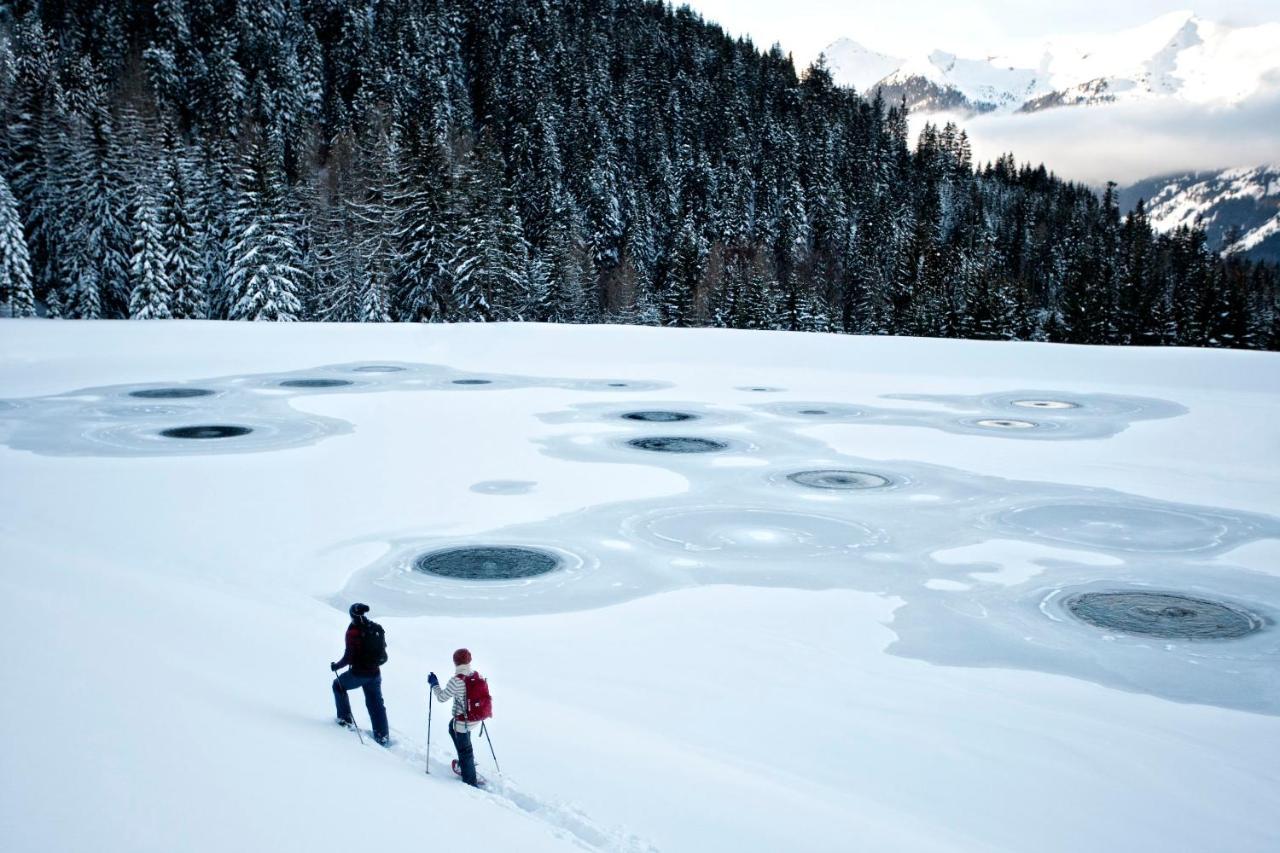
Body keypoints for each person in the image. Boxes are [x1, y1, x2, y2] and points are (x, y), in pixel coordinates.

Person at [331, 602, 390, 746]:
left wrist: (336, 666)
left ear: (352, 615)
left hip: (359, 674)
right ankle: (382, 736)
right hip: (375, 674)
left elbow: (348, 657)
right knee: (376, 703)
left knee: (338, 685)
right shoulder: (374, 627)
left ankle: (344, 720)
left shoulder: (353, 631)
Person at [429, 648, 482, 786]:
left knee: (465, 750)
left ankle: (470, 780)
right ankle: (466, 761)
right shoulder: (476, 675)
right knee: (452, 729)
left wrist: (434, 684)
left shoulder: (456, 680)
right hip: (476, 718)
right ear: (469, 661)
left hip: (463, 722)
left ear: (455, 662)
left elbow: (441, 697)